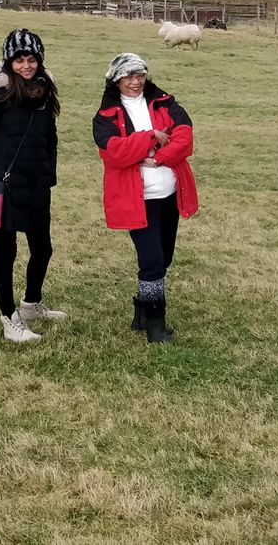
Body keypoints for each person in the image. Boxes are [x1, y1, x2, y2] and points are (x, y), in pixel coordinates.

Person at [0, 28, 66, 343]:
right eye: (19, 60)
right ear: (8, 62)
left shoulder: (45, 92)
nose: (27, 66)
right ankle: (9, 319)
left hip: (35, 184)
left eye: (31, 59)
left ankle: (31, 304)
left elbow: (50, 139)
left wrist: (49, 175)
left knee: (42, 247)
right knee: (6, 252)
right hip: (1, 184)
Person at [92, 52, 197, 343]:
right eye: (128, 77)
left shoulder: (165, 102)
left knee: (164, 259)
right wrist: (152, 136)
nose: (135, 82)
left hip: (169, 193)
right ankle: (155, 323)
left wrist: (160, 156)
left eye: (140, 76)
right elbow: (115, 153)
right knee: (151, 260)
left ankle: (141, 309)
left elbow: (185, 138)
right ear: (116, 81)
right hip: (137, 199)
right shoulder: (105, 117)